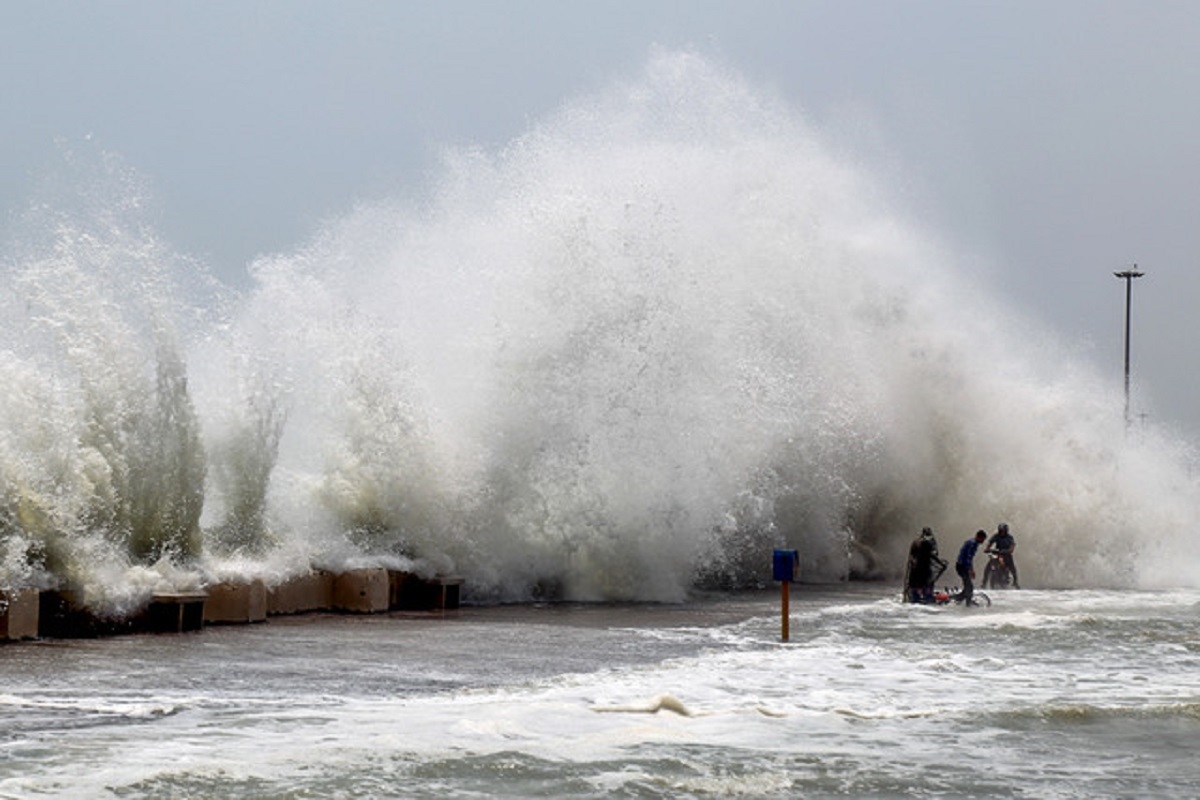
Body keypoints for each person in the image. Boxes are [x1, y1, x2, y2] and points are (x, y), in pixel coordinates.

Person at [906, 527, 946, 603]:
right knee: (928, 584)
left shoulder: (915, 542)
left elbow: (911, 556)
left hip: (914, 569)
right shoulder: (927, 543)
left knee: (915, 585)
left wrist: (913, 564)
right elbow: (932, 555)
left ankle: (914, 599)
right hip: (924, 568)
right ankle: (927, 598)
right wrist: (941, 563)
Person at [956, 530, 988, 606]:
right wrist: (971, 569)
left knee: (967, 587)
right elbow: (968, 558)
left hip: (962, 565)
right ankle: (968, 604)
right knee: (969, 587)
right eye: (982, 539)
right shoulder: (972, 543)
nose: (983, 541)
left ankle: (958, 600)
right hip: (962, 566)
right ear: (978, 537)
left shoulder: (972, 542)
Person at [985, 522, 1020, 589]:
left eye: (1003, 531)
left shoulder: (1009, 537)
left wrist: (1010, 550)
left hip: (1006, 554)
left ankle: (1015, 582)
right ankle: (984, 582)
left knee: (1012, 567)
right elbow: (990, 542)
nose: (1001, 532)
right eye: (1000, 531)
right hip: (997, 553)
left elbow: (1012, 545)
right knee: (988, 565)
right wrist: (987, 548)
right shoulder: (996, 536)